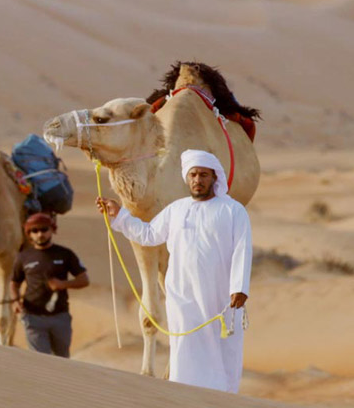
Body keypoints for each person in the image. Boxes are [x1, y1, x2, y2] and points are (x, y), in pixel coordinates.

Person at [96, 149, 252, 393]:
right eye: (193, 175)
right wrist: (120, 215)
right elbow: (148, 235)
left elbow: (243, 249)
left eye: (203, 175)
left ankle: (224, 395)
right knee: (184, 344)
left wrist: (239, 288)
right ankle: (184, 392)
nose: (197, 180)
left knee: (223, 346)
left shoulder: (233, 211)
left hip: (221, 295)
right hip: (182, 294)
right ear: (186, 178)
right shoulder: (176, 209)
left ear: (214, 178)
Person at [10, 213, 90, 358]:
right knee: (40, 360)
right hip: (32, 316)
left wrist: (63, 284)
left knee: (62, 359)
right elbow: (14, 282)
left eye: (44, 229)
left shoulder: (65, 254)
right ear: (29, 234)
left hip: (59, 316)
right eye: (35, 231)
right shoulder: (23, 257)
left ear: (52, 230)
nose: (40, 234)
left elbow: (84, 280)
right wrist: (15, 301)